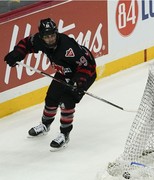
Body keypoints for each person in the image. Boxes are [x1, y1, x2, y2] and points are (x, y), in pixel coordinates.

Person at [4, 18, 97, 150]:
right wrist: (17, 53)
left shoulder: (68, 47)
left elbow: (86, 66)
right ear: (42, 36)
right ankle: (45, 125)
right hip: (64, 72)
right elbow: (27, 43)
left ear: (56, 33)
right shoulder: (40, 40)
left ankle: (64, 134)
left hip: (84, 74)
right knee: (51, 98)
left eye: (52, 35)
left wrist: (79, 81)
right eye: (46, 37)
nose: (50, 39)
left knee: (67, 101)